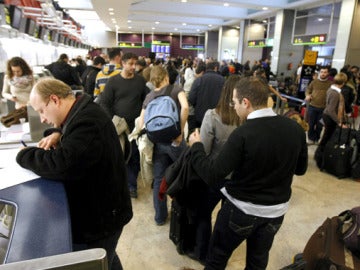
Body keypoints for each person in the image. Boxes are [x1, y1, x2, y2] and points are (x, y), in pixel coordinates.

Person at [188, 76, 308, 270]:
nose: (234, 107)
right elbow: (300, 170)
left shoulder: (243, 134)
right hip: (275, 213)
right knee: (257, 261)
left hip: (242, 210)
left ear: (246, 102)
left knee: (217, 258)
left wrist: (197, 147)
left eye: (235, 102)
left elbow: (212, 174)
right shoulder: (295, 128)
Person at [16, 78, 133, 270]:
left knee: (97, 259)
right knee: (106, 257)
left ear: (55, 100)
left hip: (102, 218)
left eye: (41, 111)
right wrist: (58, 132)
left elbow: (61, 164)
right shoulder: (81, 109)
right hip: (105, 209)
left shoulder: (88, 122)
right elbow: (70, 127)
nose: (42, 118)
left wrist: (24, 155)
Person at [187, 75, 242, 265]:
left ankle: (201, 252)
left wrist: (194, 143)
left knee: (203, 213)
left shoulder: (213, 116)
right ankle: (218, 253)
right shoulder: (248, 121)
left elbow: (204, 149)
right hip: (237, 178)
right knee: (226, 218)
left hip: (213, 175)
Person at [137, 65, 189, 225]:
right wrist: (179, 131)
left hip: (158, 143)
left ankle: (160, 217)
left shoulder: (150, 96)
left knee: (159, 179)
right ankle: (182, 215)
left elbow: (141, 122)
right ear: (166, 76)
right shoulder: (175, 89)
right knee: (184, 176)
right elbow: (185, 107)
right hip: (176, 141)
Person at [98, 52, 149, 199]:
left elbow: (146, 100)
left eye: (135, 64)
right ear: (123, 63)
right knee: (120, 156)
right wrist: (113, 121)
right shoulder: (113, 82)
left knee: (133, 156)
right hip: (119, 127)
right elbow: (105, 103)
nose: (134, 67)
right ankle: (120, 185)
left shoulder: (140, 81)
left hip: (135, 127)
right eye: (131, 64)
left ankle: (131, 186)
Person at [188, 61, 225, 129]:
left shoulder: (199, 80)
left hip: (200, 116)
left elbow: (191, 98)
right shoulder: (222, 80)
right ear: (216, 68)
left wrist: (197, 106)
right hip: (217, 115)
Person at [318, 72, 347, 149]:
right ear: (343, 82)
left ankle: (321, 153)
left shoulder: (331, 89)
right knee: (327, 137)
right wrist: (339, 122)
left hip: (327, 115)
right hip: (329, 117)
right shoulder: (335, 93)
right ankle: (320, 154)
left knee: (326, 136)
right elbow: (331, 110)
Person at [305, 66, 332, 144]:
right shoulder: (314, 82)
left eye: (325, 72)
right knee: (311, 124)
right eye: (322, 72)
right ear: (319, 72)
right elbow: (308, 89)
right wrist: (307, 95)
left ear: (328, 73)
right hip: (312, 107)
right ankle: (311, 139)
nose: (323, 74)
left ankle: (317, 139)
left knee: (320, 125)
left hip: (324, 109)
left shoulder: (330, 84)